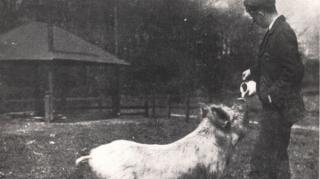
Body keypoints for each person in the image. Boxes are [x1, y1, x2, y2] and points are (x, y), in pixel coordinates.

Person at [242, 0, 305, 178]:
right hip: (275, 108)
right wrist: (252, 72)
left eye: (253, 18)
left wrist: (270, 95)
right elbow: (271, 62)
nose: (255, 22)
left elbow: (294, 71)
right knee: (276, 158)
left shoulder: (282, 32)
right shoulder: (274, 31)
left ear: (260, 13)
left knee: (263, 159)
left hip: (279, 109)